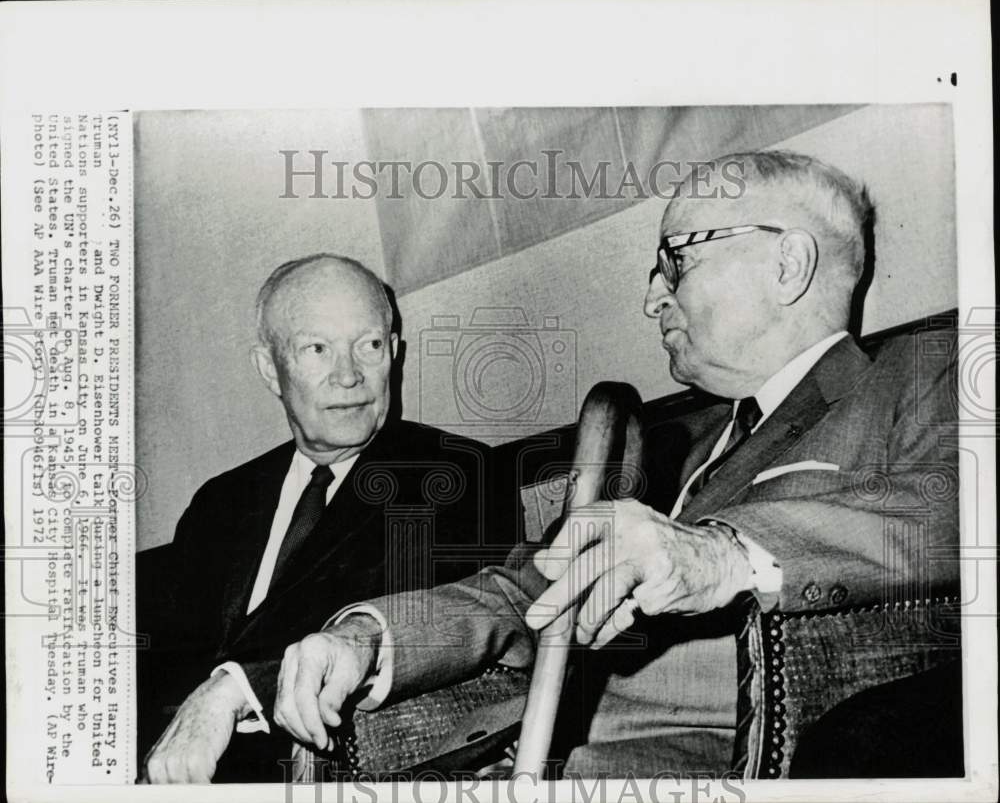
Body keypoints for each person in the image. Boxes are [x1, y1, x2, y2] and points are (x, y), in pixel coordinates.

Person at [219, 150, 961, 777]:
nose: (651, 297)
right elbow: (524, 593)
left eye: (678, 257)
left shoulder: (918, 376)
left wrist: (720, 553)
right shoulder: (680, 449)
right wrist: (368, 637)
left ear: (789, 264)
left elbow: (959, 511)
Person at [138, 254, 506, 783]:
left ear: (395, 353)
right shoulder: (221, 501)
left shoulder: (454, 475)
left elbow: (402, 618)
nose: (350, 375)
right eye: (318, 349)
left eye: (370, 345)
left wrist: (234, 689)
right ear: (270, 369)